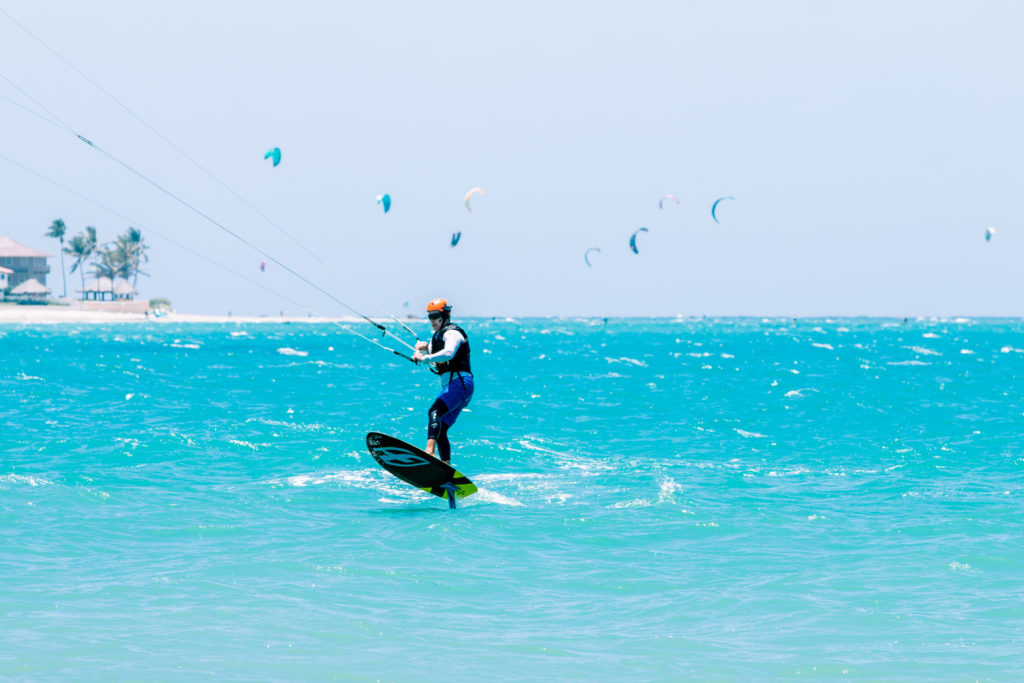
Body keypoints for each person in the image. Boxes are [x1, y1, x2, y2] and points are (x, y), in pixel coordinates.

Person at [411, 298, 474, 463]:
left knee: (434, 412)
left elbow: (449, 353)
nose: (432, 320)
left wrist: (425, 357)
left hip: (460, 384)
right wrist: (423, 348)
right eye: (429, 317)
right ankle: (446, 469)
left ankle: (429, 452)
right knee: (441, 429)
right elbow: (434, 351)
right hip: (460, 387)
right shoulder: (437, 336)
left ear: (445, 315)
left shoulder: (453, 333)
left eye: (435, 316)